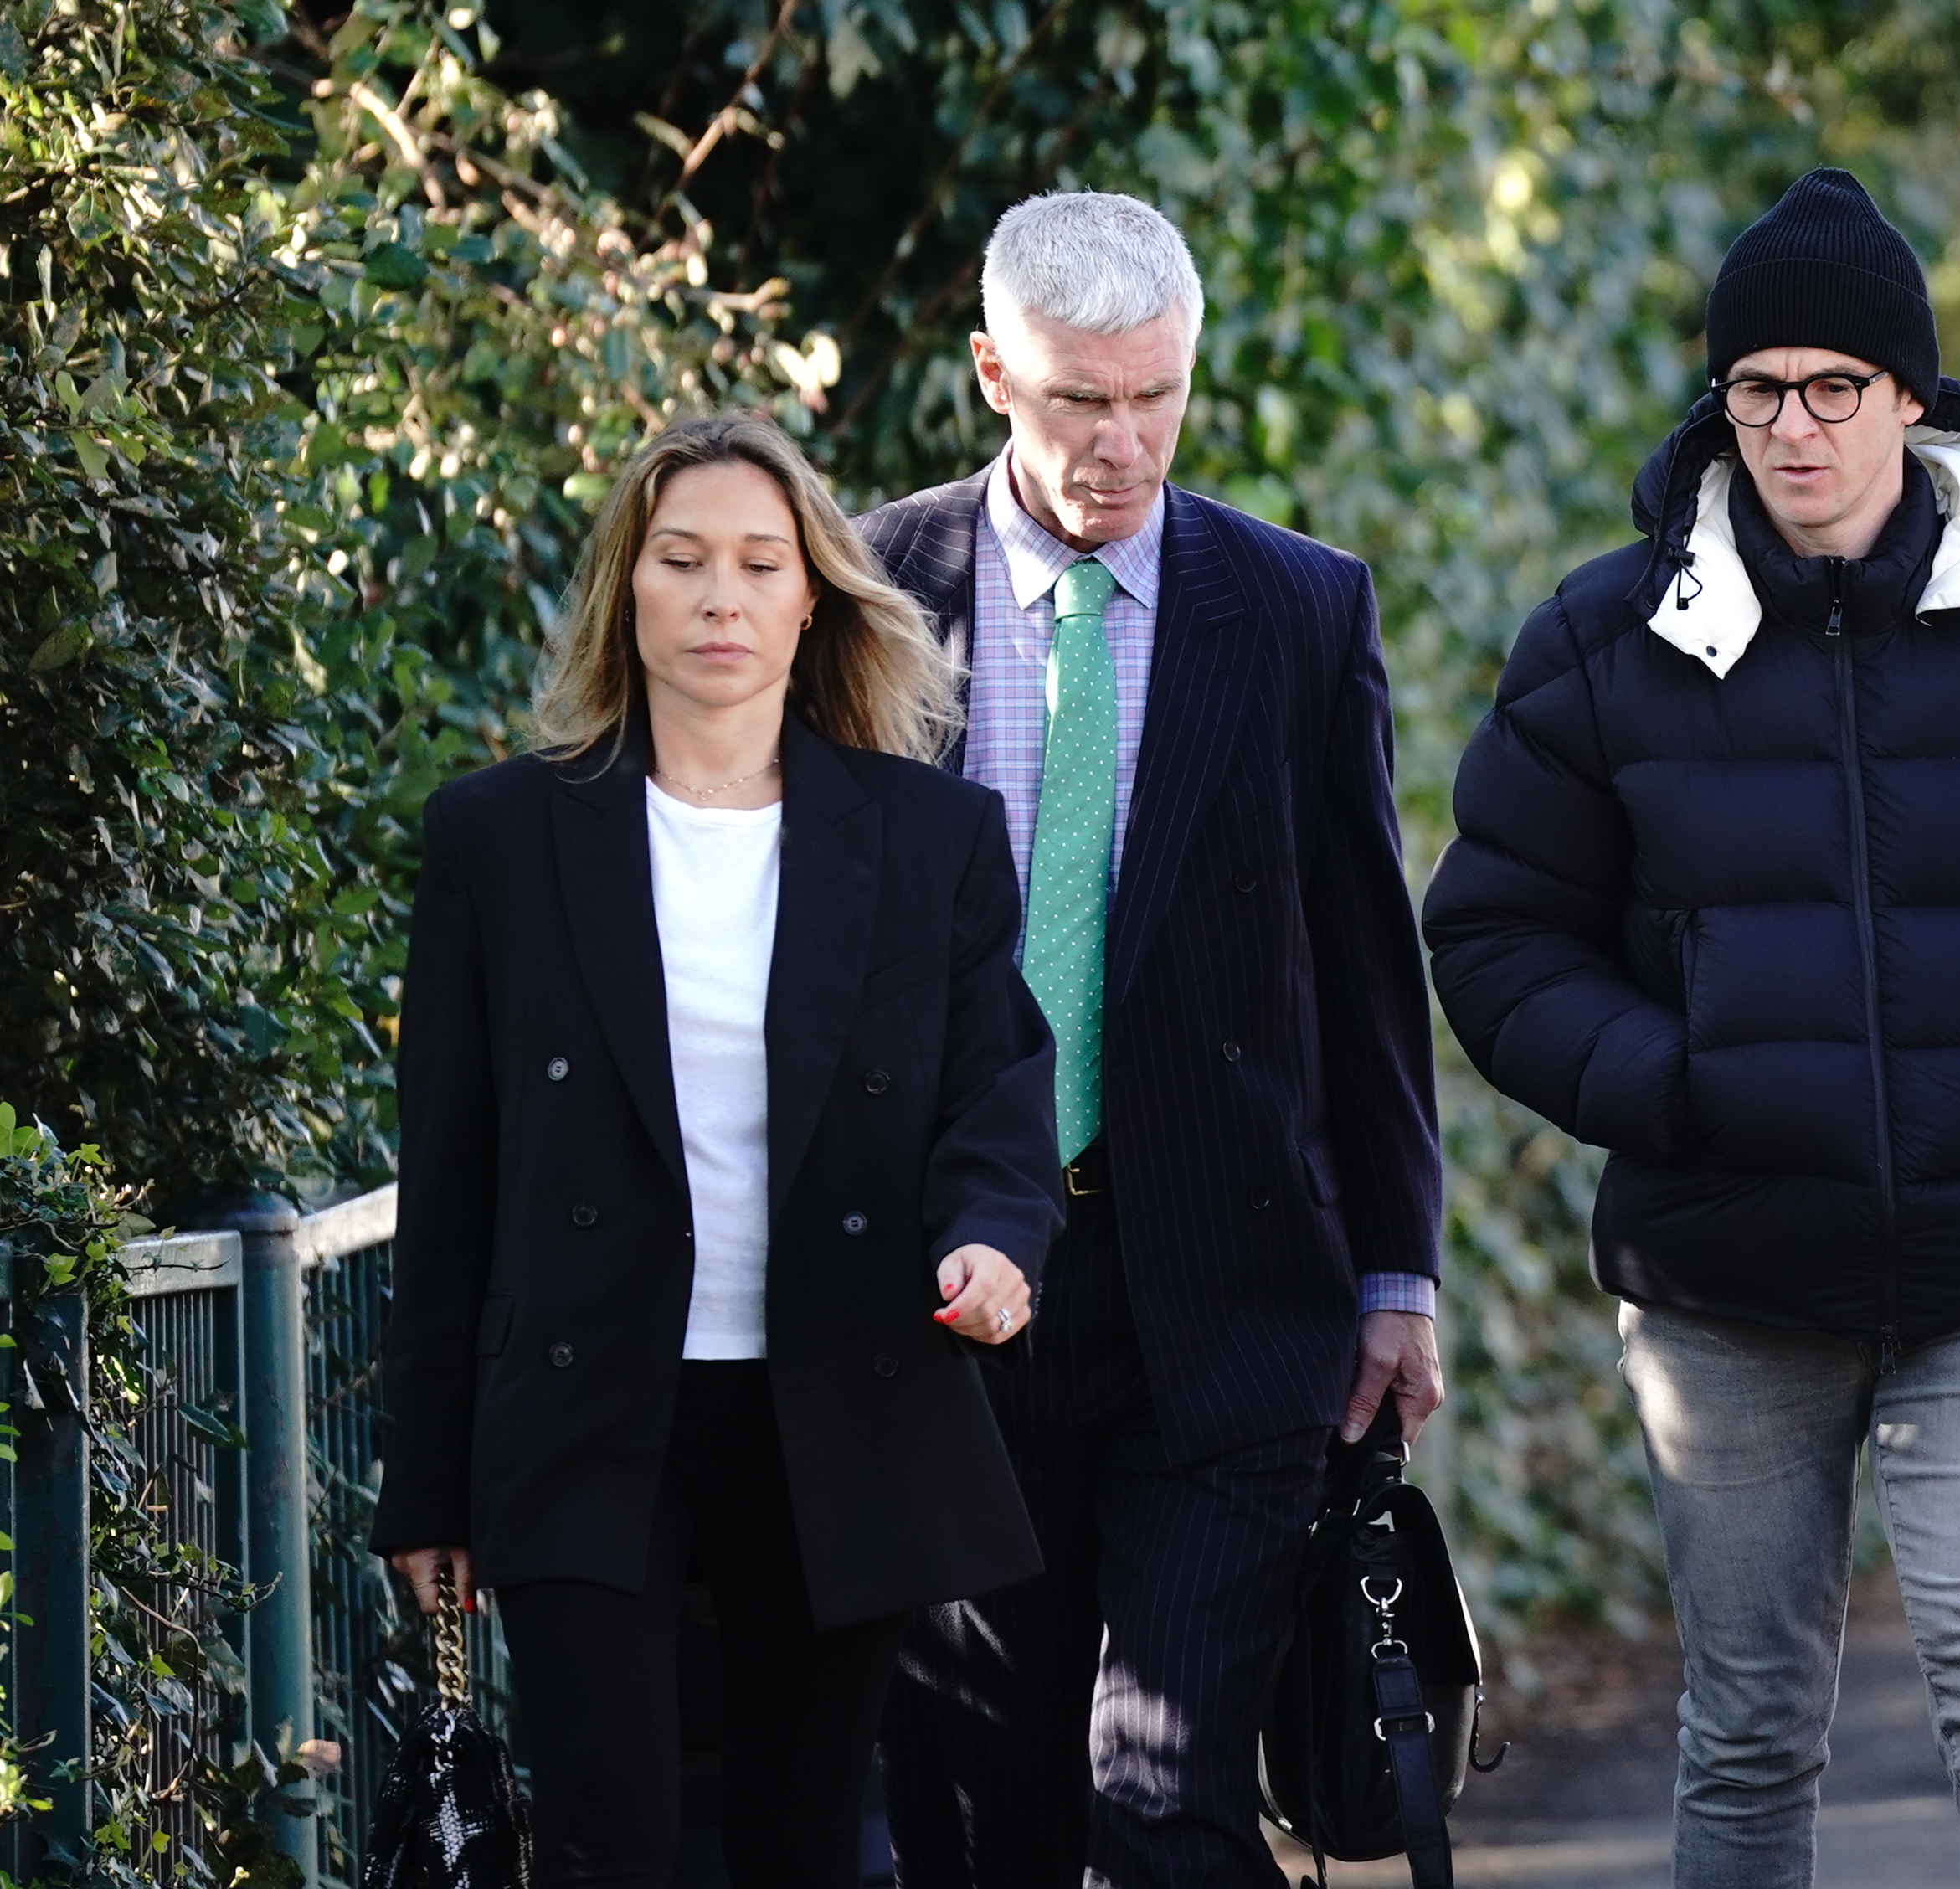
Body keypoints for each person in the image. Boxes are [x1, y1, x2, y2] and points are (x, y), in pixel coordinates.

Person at [1422, 167, 1960, 1889]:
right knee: (1746, 1725)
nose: (1791, 428)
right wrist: (1672, 1087)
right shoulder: (1605, 640)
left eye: (1832, 388)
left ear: (1910, 397)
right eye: (1755, 390)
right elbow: (1495, 934)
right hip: (1724, 1271)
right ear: (1719, 403)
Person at [371, 411, 1064, 1889]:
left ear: (813, 596)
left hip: (841, 1392)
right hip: (584, 1403)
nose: (720, 598)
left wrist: (995, 1239)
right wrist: (425, 1482)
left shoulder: (930, 835)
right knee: (605, 1830)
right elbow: (452, 1175)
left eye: (760, 563)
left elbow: (997, 1087)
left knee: (803, 1841)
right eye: (681, 560)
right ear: (627, 587)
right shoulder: (499, 837)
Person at [866, 189, 1445, 1887]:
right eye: (1077, 401)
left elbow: (1364, 969)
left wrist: (1397, 1272)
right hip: (949, 1304)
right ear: (994, 374)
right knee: (987, 1834)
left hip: (1231, 1299)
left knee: (1166, 1809)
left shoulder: (1298, 608)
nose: (1120, 444)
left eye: (1155, 397)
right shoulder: (866, 590)